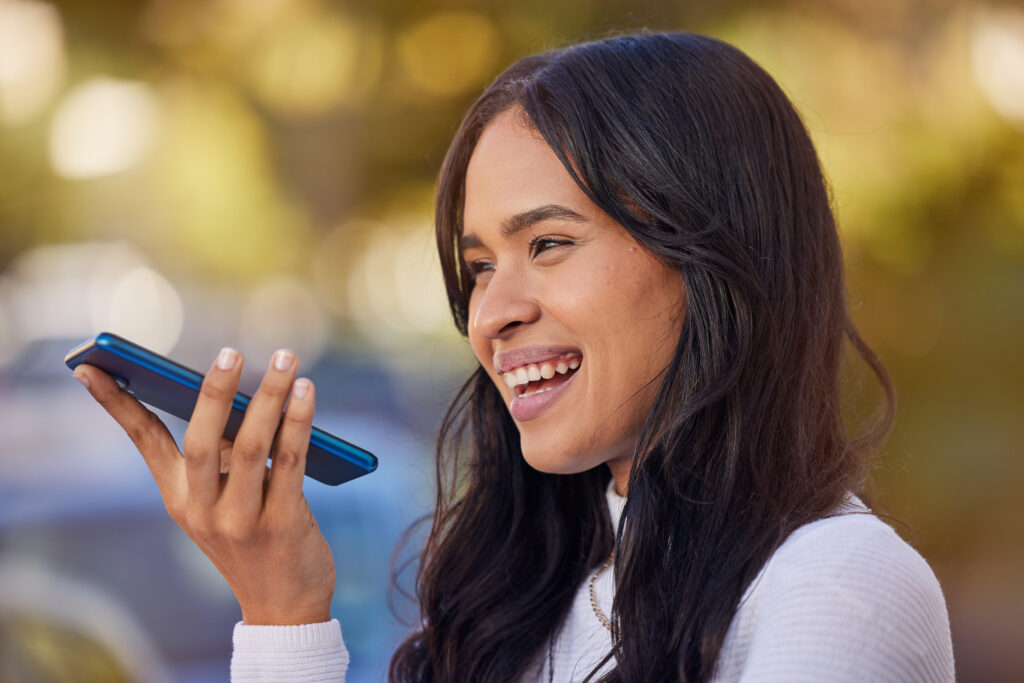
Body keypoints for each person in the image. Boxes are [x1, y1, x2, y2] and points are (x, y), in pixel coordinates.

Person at [72, 32, 955, 682]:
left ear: (715, 258)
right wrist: (279, 608)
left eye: (550, 244)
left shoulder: (834, 584)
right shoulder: (528, 605)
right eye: (480, 266)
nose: (492, 312)